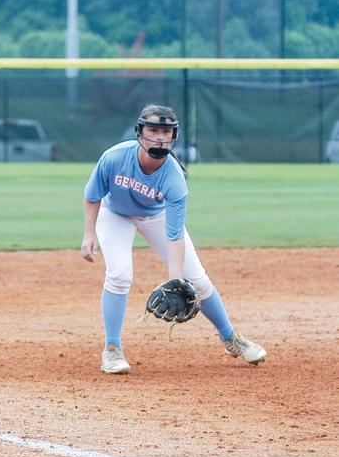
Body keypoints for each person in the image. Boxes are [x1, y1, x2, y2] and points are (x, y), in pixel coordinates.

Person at [81, 104, 266, 374]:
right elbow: (93, 195)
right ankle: (112, 349)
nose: (159, 137)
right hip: (116, 214)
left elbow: (175, 234)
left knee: (197, 280)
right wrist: (89, 234)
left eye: (166, 132)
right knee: (120, 275)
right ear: (139, 133)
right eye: (153, 130)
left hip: (155, 216)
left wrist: (175, 280)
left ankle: (231, 339)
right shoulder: (114, 157)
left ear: (173, 136)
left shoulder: (174, 179)